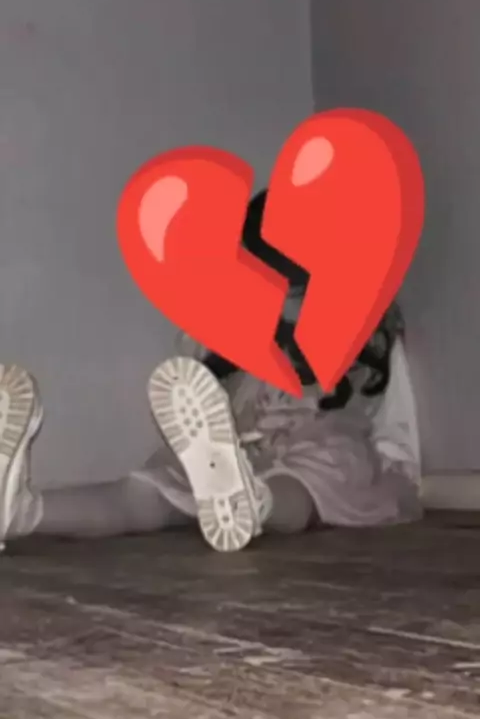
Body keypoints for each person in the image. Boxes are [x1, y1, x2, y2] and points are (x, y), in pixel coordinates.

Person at [0, 191, 422, 554]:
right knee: (148, 491)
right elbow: (198, 386)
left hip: (316, 452)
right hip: (229, 455)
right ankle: (20, 512)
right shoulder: (237, 336)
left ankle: (253, 502)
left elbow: (394, 424)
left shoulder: (365, 336)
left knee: (306, 479)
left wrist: (396, 469)